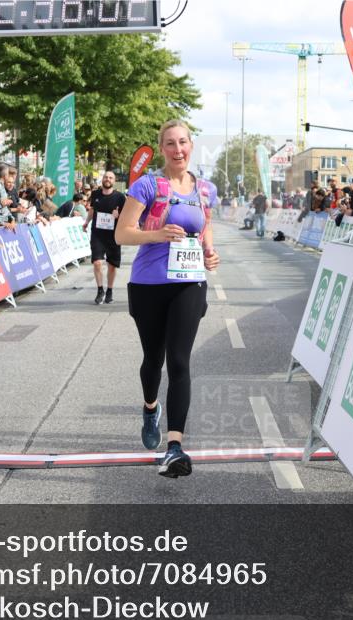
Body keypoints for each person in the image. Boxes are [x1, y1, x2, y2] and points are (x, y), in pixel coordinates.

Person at [114, 120, 221, 478]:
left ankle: (175, 447)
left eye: (184, 143)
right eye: (171, 144)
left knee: (179, 361)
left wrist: (209, 252)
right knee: (153, 360)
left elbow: (205, 225)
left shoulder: (205, 189)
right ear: (162, 149)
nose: (178, 150)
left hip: (189, 283)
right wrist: (158, 234)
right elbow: (122, 234)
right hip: (148, 284)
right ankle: (149, 407)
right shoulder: (146, 185)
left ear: (192, 145)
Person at [84, 170, 125, 304]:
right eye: (106, 177)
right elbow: (92, 210)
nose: (108, 179)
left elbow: (125, 216)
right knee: (97, 262)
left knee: (112, 265)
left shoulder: (120, 197)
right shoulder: (95, 194)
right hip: (97, 234)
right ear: (103, 179)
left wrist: (118, 216)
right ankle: (100, 289)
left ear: (114, 181)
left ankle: (110, 290)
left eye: (110, 178)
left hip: (113, 235)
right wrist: (86, 222)